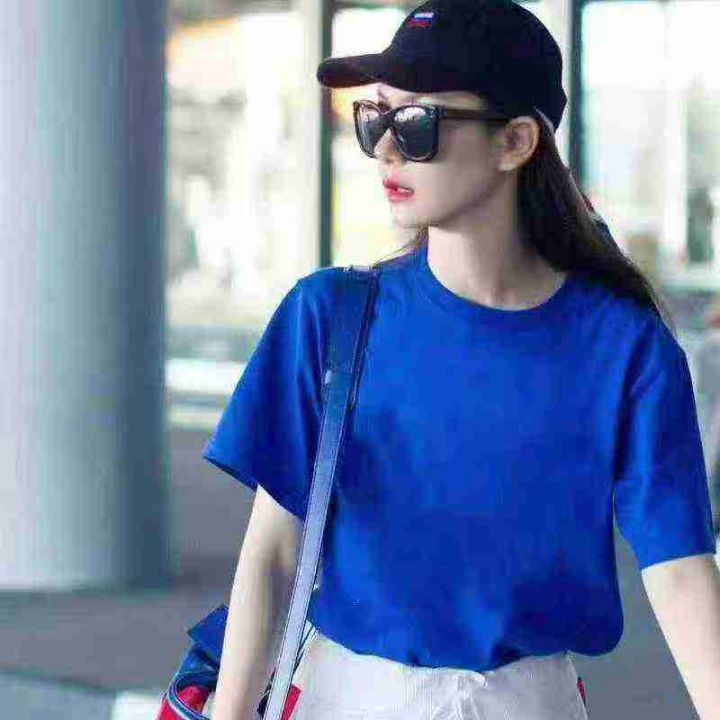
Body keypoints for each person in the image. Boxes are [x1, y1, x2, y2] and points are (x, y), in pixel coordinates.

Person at [203, 0, 718, 718]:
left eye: (418, 124)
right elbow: (273, 554)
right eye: (374, 119)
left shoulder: (626, 349)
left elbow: (680, 570)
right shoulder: (329, 318)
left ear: (516, 142)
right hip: (347, 699)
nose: (386, 149)